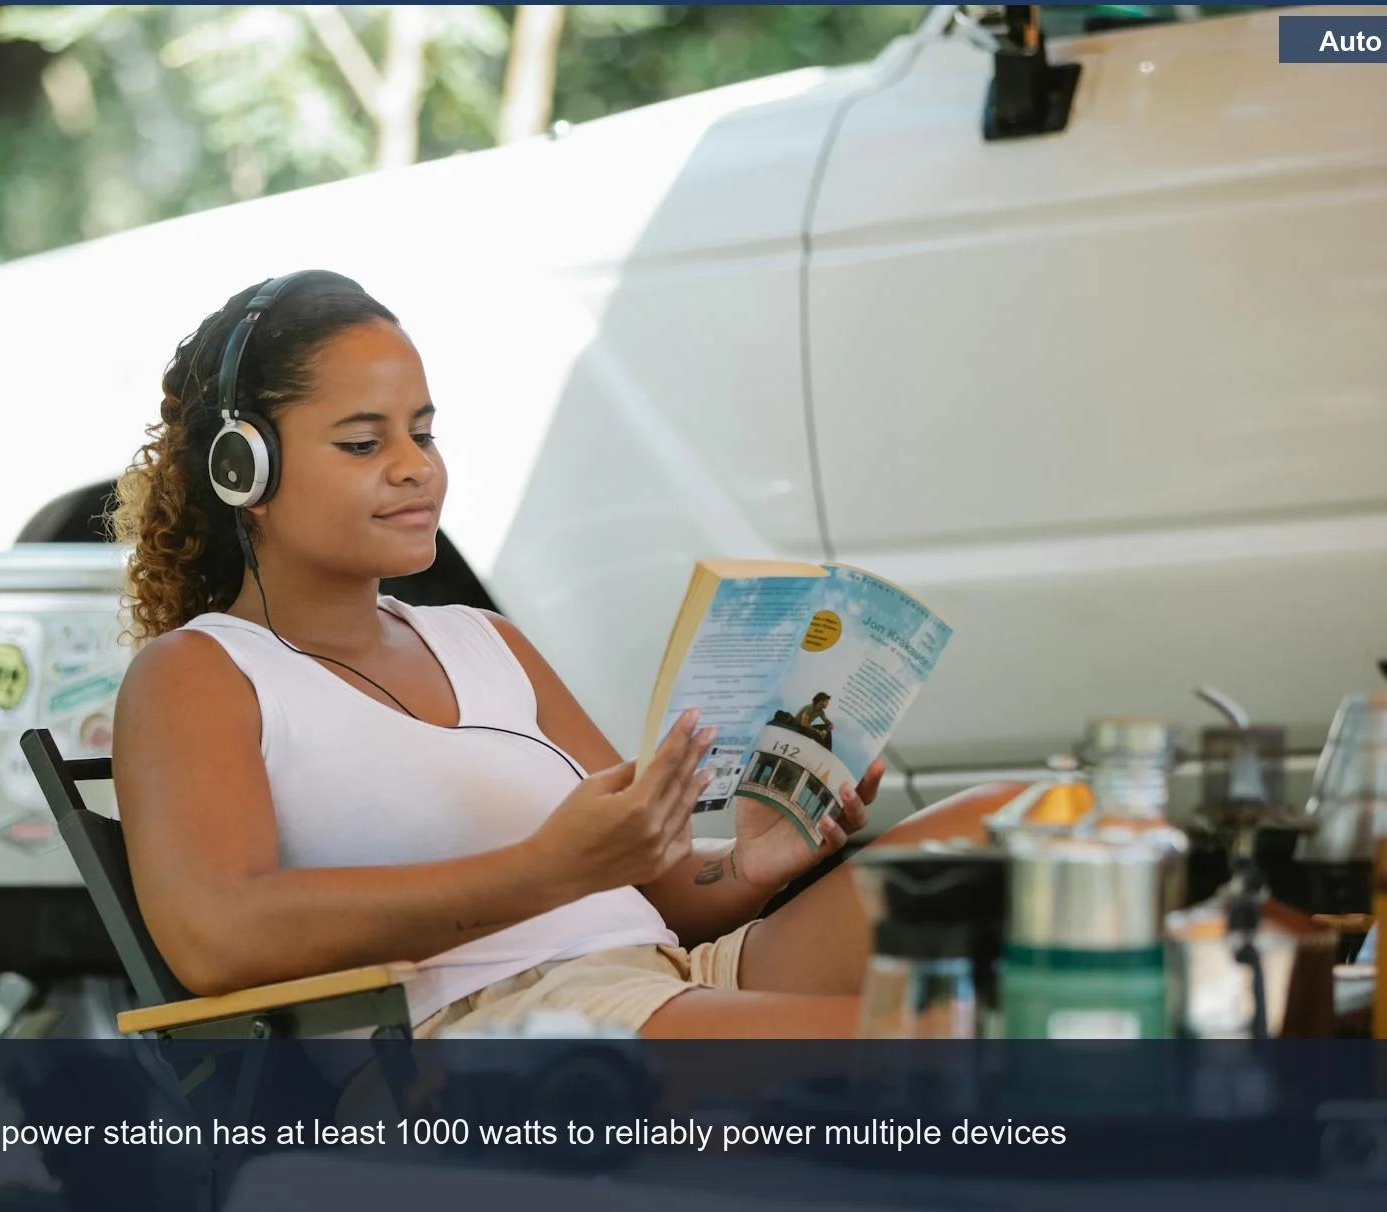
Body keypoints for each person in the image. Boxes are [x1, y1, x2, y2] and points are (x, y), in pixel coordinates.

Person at [109, 272, 1018, 1039]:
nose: (416, 465)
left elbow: (660, 885)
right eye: (363, 441)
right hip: (509, 1022)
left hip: (668, 973)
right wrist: (550, 866)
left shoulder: (485, 640)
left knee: (1023, 825)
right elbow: (215, 936)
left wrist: (746, 864)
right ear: (245, 471)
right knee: (942, 1038)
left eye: (423, 431)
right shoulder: (203, 673)